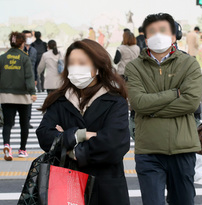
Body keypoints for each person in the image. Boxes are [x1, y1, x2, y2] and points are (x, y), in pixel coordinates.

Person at [36, 39, 130, 205]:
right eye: (72, 63)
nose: (76, 68)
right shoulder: (59, 101)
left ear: (97, 67)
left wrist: (70, 148)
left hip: (106, 190)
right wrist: (81, 135)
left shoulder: (115, 102)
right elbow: (44, 135)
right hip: (66, 188)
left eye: (82, 63)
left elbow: (113, 145)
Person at [124, 13, 202, 205]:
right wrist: (174, 93)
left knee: (183, 201)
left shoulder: (189, 63)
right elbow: (138, 103)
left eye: (163, 30)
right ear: (145, 36)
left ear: (175, 35)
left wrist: (151, 110)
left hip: (182, 148)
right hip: (148, 151)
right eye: (152, 31)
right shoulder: (134, 67)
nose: (158, 35)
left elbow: (191, 102)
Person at [0, 32, 37, 161]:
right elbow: (28, 77)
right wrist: (32, 92)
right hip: (23, 96)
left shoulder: (2, 57)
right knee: (24, 124)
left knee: (7, 124)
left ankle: (7, 146)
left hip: (6, 95)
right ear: (21, 43)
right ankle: (22, 150)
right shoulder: (24, 57)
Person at [22, 30, 37, 129]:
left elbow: (35, 65)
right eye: (26, 36)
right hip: (20, 78)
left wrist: (35, 78)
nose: (28, 38)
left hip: (30, 78)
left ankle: (27, 121)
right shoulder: (19, 50)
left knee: (29, 100)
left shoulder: (34, 50)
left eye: (29, 36)